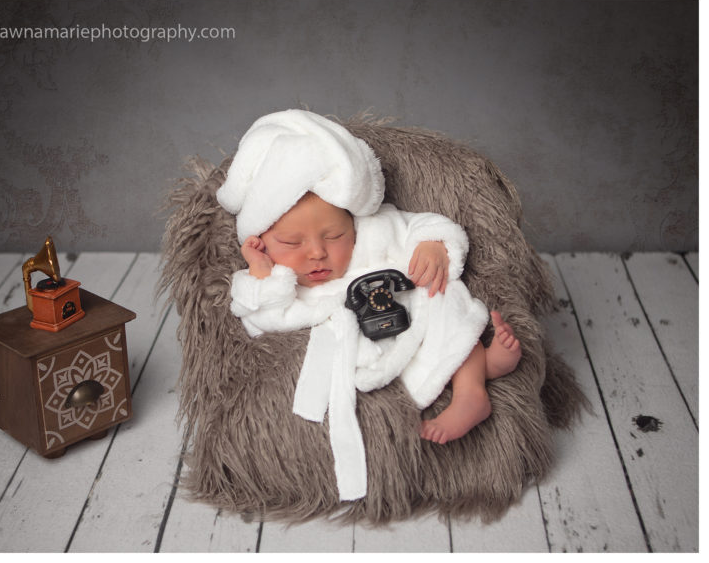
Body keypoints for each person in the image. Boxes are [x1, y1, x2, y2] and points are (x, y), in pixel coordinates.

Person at [217, 109, 520, 500]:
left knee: (443, 295)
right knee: (425, 344)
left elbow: (420, 223)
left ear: (353, 222)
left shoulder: (375, 230)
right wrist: (262, 273)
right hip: (364, 342)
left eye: (334, 235)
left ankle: (471, 389)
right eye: (293, 244)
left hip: (408, 309)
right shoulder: (278, 279)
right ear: (260, 240)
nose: (317, 255)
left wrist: (432, 244)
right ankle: (476, 363)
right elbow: (264, 319)